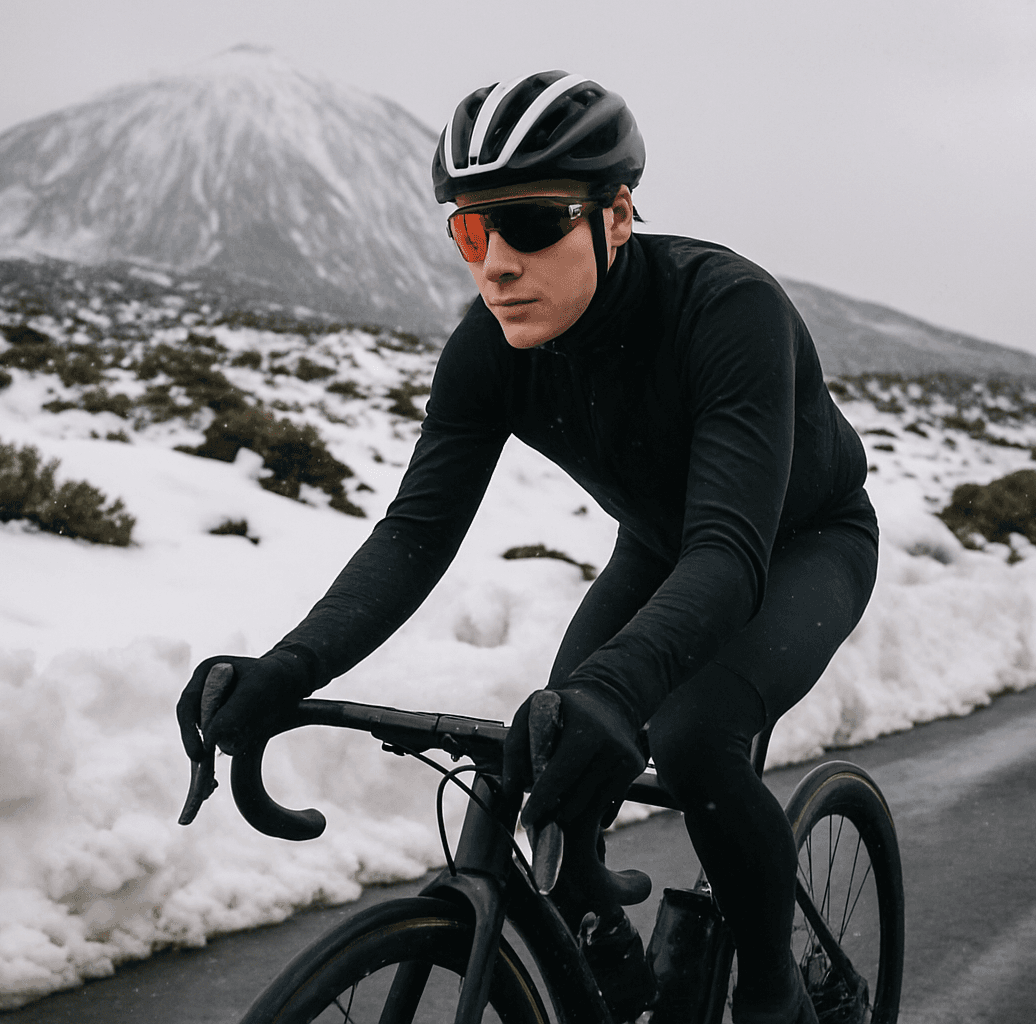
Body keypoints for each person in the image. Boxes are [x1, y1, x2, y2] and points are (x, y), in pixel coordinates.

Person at [178, 70, 877, 1024]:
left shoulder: (729, 311)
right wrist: (286, 668)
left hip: (801, 545)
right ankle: (603, 950)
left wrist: (619, 689)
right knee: (556, 747)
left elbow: (728, 553)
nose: (496, 263)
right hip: (664, 546)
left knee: (691, 734)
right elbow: (416, 534)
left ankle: (771, 991)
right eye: (471, 231)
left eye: (533, 225)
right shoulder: (488, 350)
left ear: (617, 214)